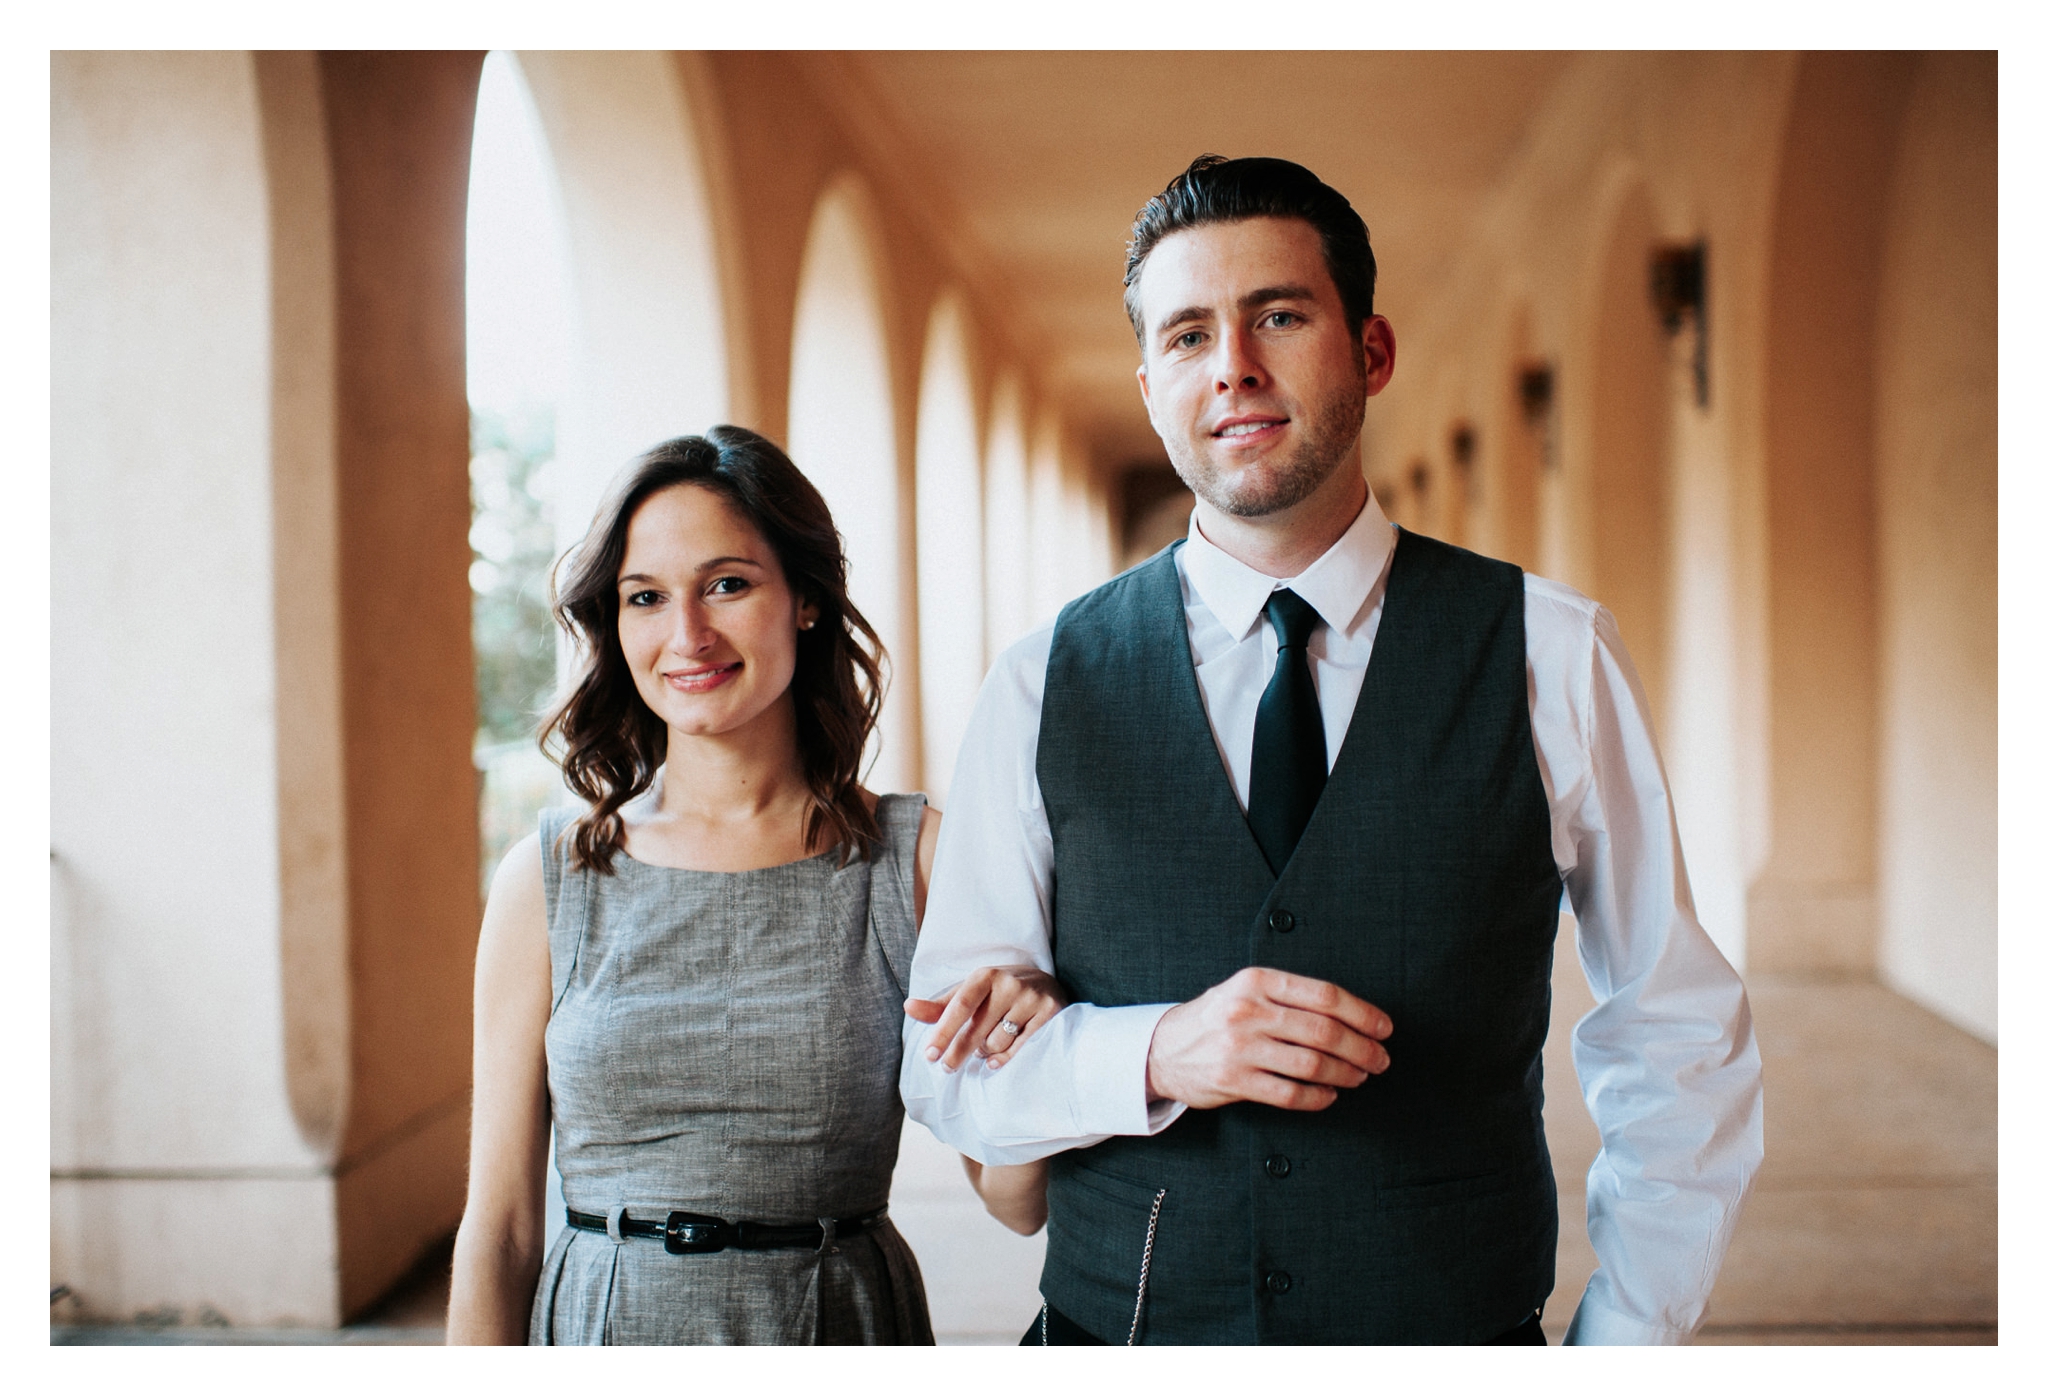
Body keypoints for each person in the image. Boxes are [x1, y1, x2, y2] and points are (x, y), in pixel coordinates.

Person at [901, 155, 1765, 1345]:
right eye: (1189, 334)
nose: (1234, 368)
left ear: (1370, 352)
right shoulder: (1043, 681)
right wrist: (1157, 1048)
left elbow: (1672, 1029)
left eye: (1279, 316)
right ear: (1151, 383)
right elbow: (947, 1072)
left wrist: (1624, 1341)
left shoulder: (1545, 652)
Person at [447, 427, 1062, 1344]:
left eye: (727, 584)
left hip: (836, 1325)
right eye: (646, 597)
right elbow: (498, 1230)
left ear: (805, 600)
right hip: (604, 1334)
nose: (687, 634)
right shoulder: (550, 878)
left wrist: (1036, 1049)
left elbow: (1013, 1204)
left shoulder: (917, 859)